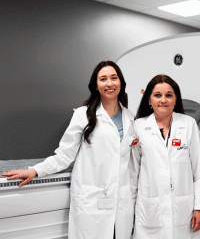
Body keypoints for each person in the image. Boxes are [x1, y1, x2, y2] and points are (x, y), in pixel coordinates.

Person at [2, 61, 135, 239]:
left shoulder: (130, 117)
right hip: (92, 203)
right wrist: (35, 170)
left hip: (122, 204)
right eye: (103, 79)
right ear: (96, 86)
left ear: (121, 82)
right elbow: (64, 155)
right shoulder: (83, 114)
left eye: (114, 78)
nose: (109, 83)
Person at [130, 74, 200, 239]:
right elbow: (132, 174)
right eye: (157, 95)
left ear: (176, 100)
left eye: (169, 95)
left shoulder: (188, 125)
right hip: (149, 212)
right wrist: (128, 213)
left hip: (184, 212)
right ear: (149, 100)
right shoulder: (138, 127)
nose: (163, 100)